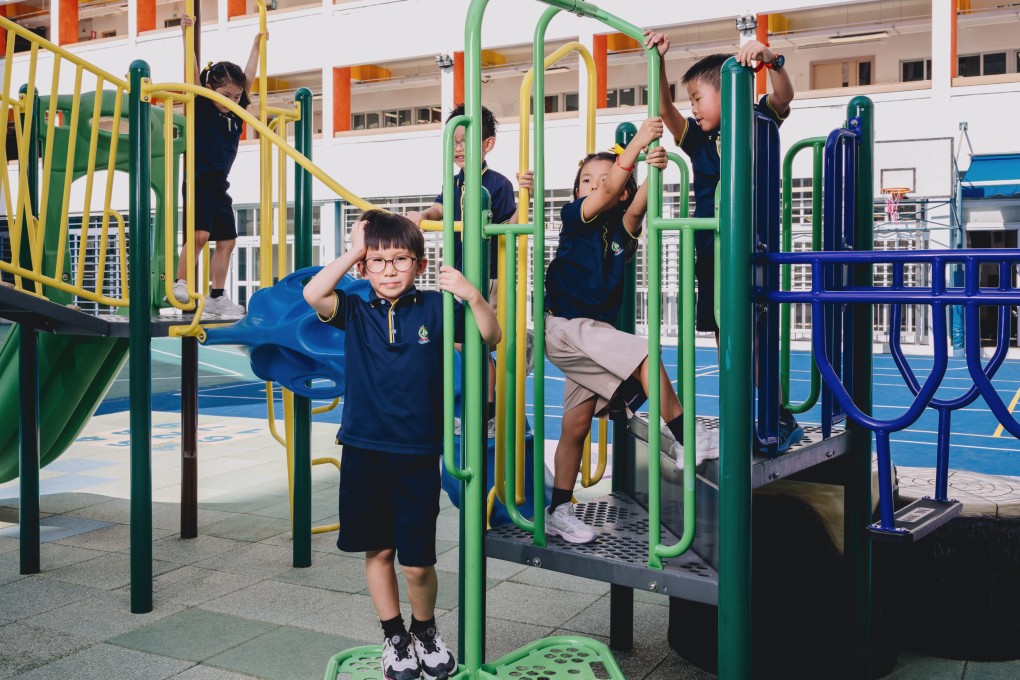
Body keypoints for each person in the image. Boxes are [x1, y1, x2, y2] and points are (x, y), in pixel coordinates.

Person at [303, 210, 501, 680]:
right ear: (363, 268)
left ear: (420, 263)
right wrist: (354, 250)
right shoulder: (353, 308)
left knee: (416, 562)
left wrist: (471, 294)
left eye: (400, 260)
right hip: (364, 448)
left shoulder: (434, 307)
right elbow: (314, 293)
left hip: (416, 452)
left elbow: (490, 336)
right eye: (378, 261)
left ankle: (425, 631)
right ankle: (394, 636)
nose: (389, 270)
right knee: (379, 552)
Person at [536, 119, 720, 545]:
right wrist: (636, 144)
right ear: (577, 190)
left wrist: (655, 168)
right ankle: (684, 438)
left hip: (590, 335)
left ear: (622, 190)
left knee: (575, 425)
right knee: (643, 354)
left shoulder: (621, 231)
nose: (595, 185)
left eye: (607, 180)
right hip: (565, 326)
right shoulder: (575, 217)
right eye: (586, 180)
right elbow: (604, 194)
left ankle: (559, 508)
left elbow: (637, 204)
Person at [644, 31, 804, 452]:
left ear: (726, 89)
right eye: (691, 100)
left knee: (754, 338)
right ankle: (743, 415)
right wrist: (659, 61)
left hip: (750, 250)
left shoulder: (756, 119)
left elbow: (785, 96)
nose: (693, 108)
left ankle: (778, 415)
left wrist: (772, 60)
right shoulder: (697, 140)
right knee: (725, 339)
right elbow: (664, 107)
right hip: (710, 254)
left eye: (698, 98)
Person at [406, 104, 522, 434]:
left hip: (489, 277)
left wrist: (527, 196)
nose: (458, 149)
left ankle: (486, 414)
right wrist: (422, 214)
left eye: (465, 141)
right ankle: (477, 406)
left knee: (479, 343)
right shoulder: (454, 182)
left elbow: (509, 225)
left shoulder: (497, 184)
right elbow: (440, 207)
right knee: (458, 342)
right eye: (453, 142)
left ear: (487, 145)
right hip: (459, 275)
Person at [170, 14, 264, 315]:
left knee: (228, 240)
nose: (233, 100)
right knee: (199, 235)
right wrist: (187, 34)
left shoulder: (236, 112)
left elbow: (249, 75)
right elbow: (191, 70)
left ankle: (217, 296)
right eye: (226, 95)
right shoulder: (200, 102)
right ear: (209, 88)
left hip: (219, 184)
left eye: (237, 96)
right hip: (198, 179)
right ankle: (180, 282)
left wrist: (256, 45)